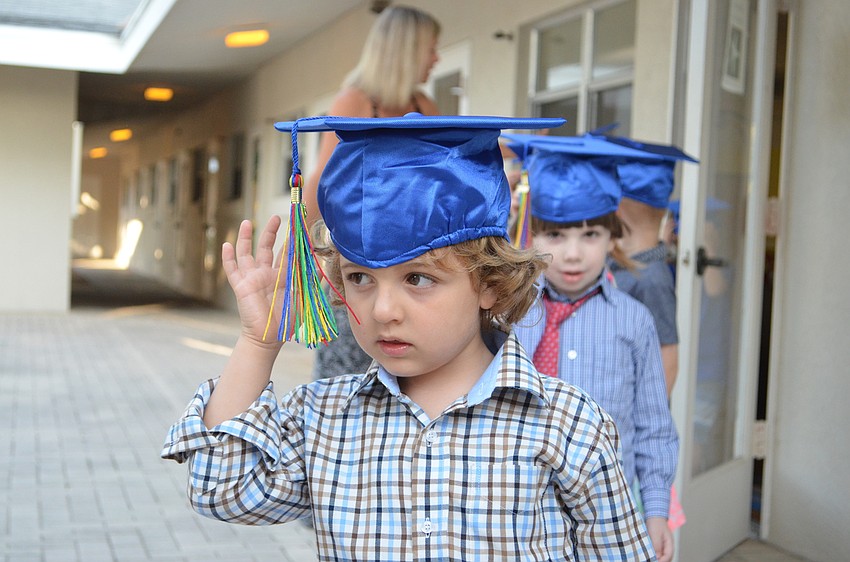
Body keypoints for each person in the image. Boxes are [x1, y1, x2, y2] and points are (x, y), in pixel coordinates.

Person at [161, 114, 658, 560]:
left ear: (488, 283)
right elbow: (220, 489)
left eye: (418, 279)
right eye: (360, 278)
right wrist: (258, 342)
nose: (382, 311)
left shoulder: (569, 425)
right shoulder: (322, 418)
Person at [509, 135, 679, 562]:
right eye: (555, 234)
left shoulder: (634, 320)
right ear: (534, 232)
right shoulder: (508, 314)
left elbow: (654, 425)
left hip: (606, 512)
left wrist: (656, 511)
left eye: (589, 234)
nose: (571, 253)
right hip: (517, 510)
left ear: (611, 237)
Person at [303, 4, 441, 380]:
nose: (436, 58)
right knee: (348, 366)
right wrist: (305, 251)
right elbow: (323, 180)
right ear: (406, 49)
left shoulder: (422, 105)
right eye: (430, 47)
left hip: (413, 253)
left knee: (407, 365)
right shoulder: (356, 101)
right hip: (359, 253)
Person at [604, 138, 697, 397]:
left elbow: (668, 359)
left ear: (617, 210)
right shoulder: (620, 266)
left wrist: (649, 419)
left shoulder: (652, 279)